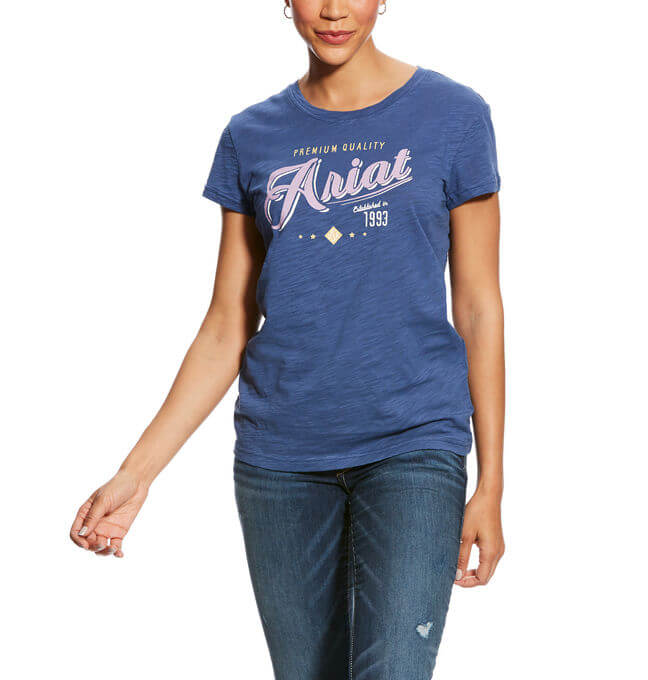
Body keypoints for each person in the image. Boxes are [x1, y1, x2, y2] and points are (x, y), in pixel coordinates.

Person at [69, 1, 506, 678]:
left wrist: (492, 483)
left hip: (414, 442)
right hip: (280, 459)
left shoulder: (453, 115)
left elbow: (477, 305)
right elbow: (227, 324)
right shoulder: (252, 134)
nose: (333, 10)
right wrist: (136, 473)